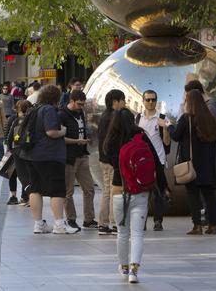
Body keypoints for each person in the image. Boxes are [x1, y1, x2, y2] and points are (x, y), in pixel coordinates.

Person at [103, 108, 168, 284]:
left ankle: (123, 267)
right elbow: (156, 162)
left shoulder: (112, 139)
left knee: (122, 233)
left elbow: (107, 157)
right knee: (138, 233)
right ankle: (134, 270)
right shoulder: (141, 136)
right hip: (141, 190)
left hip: (119, 189)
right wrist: (163, 186)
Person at [21, 84, 79, 235]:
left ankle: (38, 224)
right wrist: (63, 131)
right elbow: (51, 132)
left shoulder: (35, 108)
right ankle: (59, 224)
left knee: (35, 189)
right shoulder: (49, 110)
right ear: (56, 97)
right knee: (57, 191)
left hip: (32, 155)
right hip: (50, 156)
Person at [168, 89, 216, 235]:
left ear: (189, 102)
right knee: (209, 195)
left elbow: (176, 135)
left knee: (193, 195)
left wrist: (169, 125)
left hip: (192, 164)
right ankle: (213, 225)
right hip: (208, 164)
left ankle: (197, 225)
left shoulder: (187, 118)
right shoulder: (209, 117)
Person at [58, 89, 96, 230]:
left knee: (89, 188)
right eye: (79, 104)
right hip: (69, 157)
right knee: (69, 191)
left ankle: (89, 219)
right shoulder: (62, 115)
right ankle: (71, 218)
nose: (81, 107)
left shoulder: (80, 112)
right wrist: (76, 141)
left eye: (83, 104)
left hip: (82, 154)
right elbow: (60, 138)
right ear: (72, 101)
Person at [135, 89, 170, 231]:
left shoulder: (162, 118)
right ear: (143, 101)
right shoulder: (138, 118)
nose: (150, 102)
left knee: (157, 193)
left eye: (153, 100)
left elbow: (167, 143)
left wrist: (165, 128)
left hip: (159, 160)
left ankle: (158, 221)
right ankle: (142, 221)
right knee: (142, 193)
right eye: (147, 99)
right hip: (142, 162)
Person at [97, 89, 126, 235]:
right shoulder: (115, 117)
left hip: (104, 158)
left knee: (107, 191)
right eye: (123, 100)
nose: (124, 103)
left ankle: (103, 224)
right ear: (115, 101)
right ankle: (113, 223)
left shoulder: (104, 115)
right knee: (113, 191)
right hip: (112, 160)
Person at [5, 100, 32, 205]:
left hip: (17, 150)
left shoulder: (15, 120)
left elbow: (10, 136)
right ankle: (25, 197)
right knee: (27, 174)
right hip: (29, 151)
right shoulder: (33, 120)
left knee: (19, 175)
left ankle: (26, 196)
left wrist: (10, 149)